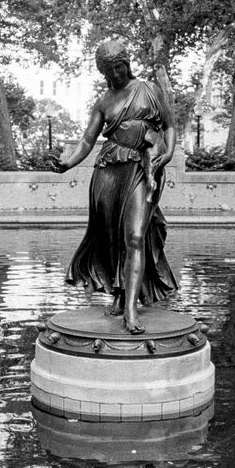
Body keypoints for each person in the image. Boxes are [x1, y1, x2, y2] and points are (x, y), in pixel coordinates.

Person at [53, 39, 178, 334]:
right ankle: (120, 293)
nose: (117, 74)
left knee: (135, 236)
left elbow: (170, 125)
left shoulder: (149, 89)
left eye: (120, 67)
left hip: (142, 167)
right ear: (103, 73)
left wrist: (168, 153)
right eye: (111, 71)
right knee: (113, 239)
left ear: (127, 63)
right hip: (108, 171)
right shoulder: (104, 101)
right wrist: (67, 163)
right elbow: (86, 140)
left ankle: (131, 310)